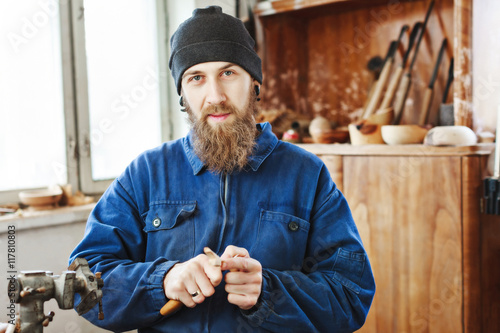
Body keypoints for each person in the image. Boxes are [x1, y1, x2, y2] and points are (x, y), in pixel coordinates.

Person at [70, 6, 375, 332]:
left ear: (254, 83)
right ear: (183, 95)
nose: (215, 96)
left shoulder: (307, 176)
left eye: (228, 73)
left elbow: (351, 296)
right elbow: (82, 285)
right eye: (196, 78)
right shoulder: (145, 173)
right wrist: (163, 281)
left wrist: (268, 292)